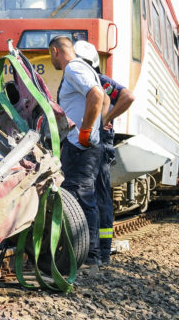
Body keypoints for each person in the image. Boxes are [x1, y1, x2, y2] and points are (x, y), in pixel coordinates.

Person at [74, 40, 135, 264]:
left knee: (97, 195)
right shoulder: (93, 81)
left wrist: (107, 118)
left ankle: (101, 251)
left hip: (97, 141)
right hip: (92, 139)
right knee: (97, 195)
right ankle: (99, 250)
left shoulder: (98, 81)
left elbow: (128, 96)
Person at [48, 35, 104, 267]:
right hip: (82, 145)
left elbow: (97, 95)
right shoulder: (84, 68)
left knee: (80, 197)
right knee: (83, 196)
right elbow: (105, 98)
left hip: (80, 146)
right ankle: (90, 254)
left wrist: (86, 130)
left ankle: (90, 256)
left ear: (54, 51)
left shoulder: (72, 69)